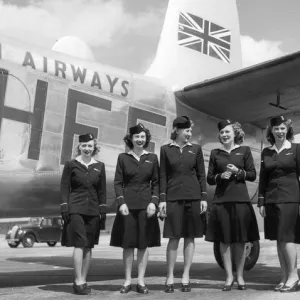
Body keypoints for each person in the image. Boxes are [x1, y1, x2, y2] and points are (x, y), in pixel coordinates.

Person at [205, 119, 259, 291]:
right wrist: (220, 177)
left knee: (240, 241)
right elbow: (209, 179)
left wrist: (238, 172)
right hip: (221, 201)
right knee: (224, 241)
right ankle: (229, 277)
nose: (224, 135)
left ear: (234, 133)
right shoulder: (215, 153)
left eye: (227, 132)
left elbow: (252, 175)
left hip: (240, 200)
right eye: (222, 133)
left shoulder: (244, 151)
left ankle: (240, 276)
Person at [110, 123, 160, 294]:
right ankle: (127, 281)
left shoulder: (152, 158)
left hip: (147, 207)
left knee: (143, 245)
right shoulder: (123, 158)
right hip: (128, 207)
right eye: (136, 137)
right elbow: (118, 183)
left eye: (143, 137)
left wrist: (154, 202)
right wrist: (121, 202)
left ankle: (141, 281)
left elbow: (157, 183)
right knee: (128, 244)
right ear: (130, 139)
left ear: (146, 139)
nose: (140, 139)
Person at [159, 116, 207, 293]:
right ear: (177, 130)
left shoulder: (196, 149)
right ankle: (170, 275)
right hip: (172, 197)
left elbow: (201, 175)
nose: (189, 134)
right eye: (187, 131)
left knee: (190, 237)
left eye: (190, 131)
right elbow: (162, 175)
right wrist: (162, 200)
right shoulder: (165, 150)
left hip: (193, 197)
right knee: (173, 237)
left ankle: (186, 275)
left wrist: (203, 198)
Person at [60, 133, 107, 295]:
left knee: (89, 245)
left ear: (94, 148)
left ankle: (84, 279)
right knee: (80, 242)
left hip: (93, 209)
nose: (87, 149)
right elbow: (65, 187)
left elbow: (102, 191)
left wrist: (103, 210)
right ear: (79, 147)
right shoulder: (71, 164)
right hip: (76, 208)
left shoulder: (99, 166)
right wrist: (64, 206)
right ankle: (78, 280)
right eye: (84, 146)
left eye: (90, 146)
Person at [258, 116, 300, 293]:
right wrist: (261, 201)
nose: (280, 131)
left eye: (283, 128)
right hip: (271, 198)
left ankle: (294, 276)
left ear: (287, 130)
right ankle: (284, 277)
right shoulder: (267, 152)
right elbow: (263, 178)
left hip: (290, 197)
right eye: (276, 129)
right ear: (271, 131)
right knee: (278, 238)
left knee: (286, 237)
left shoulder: (296, 149)